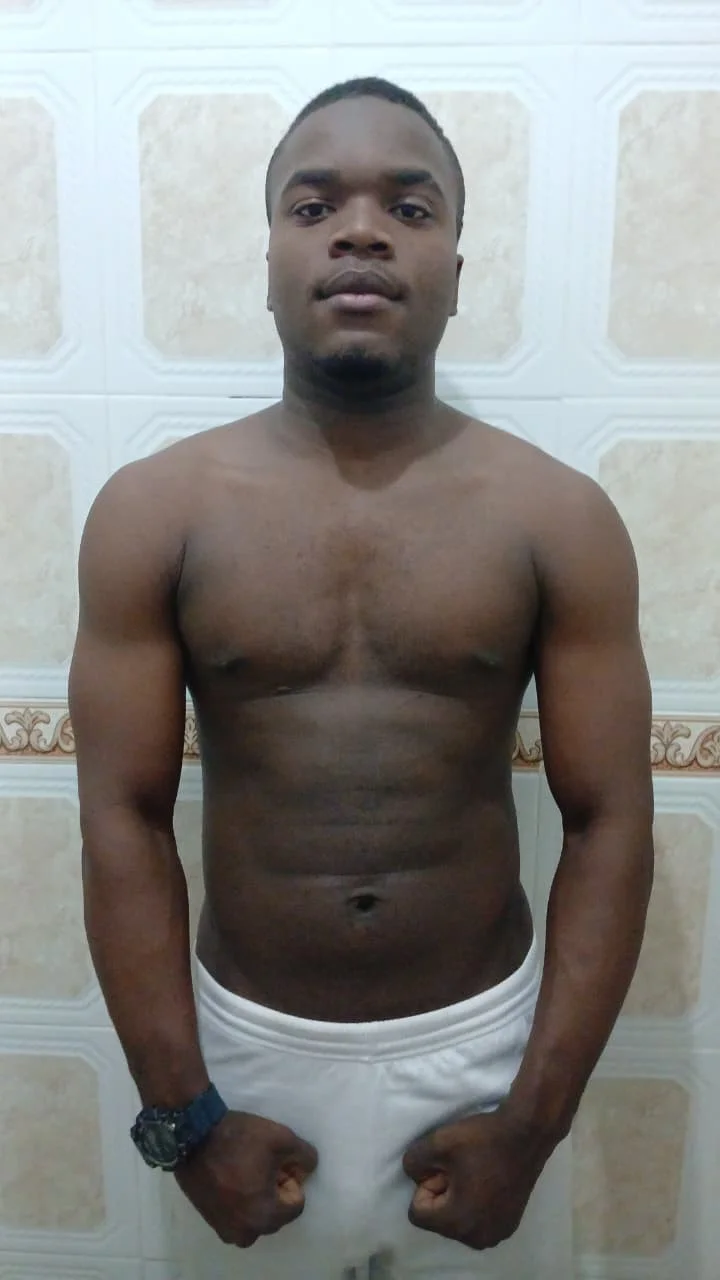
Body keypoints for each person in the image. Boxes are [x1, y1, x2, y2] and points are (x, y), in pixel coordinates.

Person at [69, 78, 654, 1280]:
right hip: (238, 1051)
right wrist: (185, 1119)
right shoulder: (154, 512)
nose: (361, 231)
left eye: (410, 205)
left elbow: (610, 823)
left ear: (455, 266)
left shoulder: (560, 517)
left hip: (489, 1049)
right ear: (270, 259)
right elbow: (122, 818)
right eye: (314, 203)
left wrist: (535, 1123)